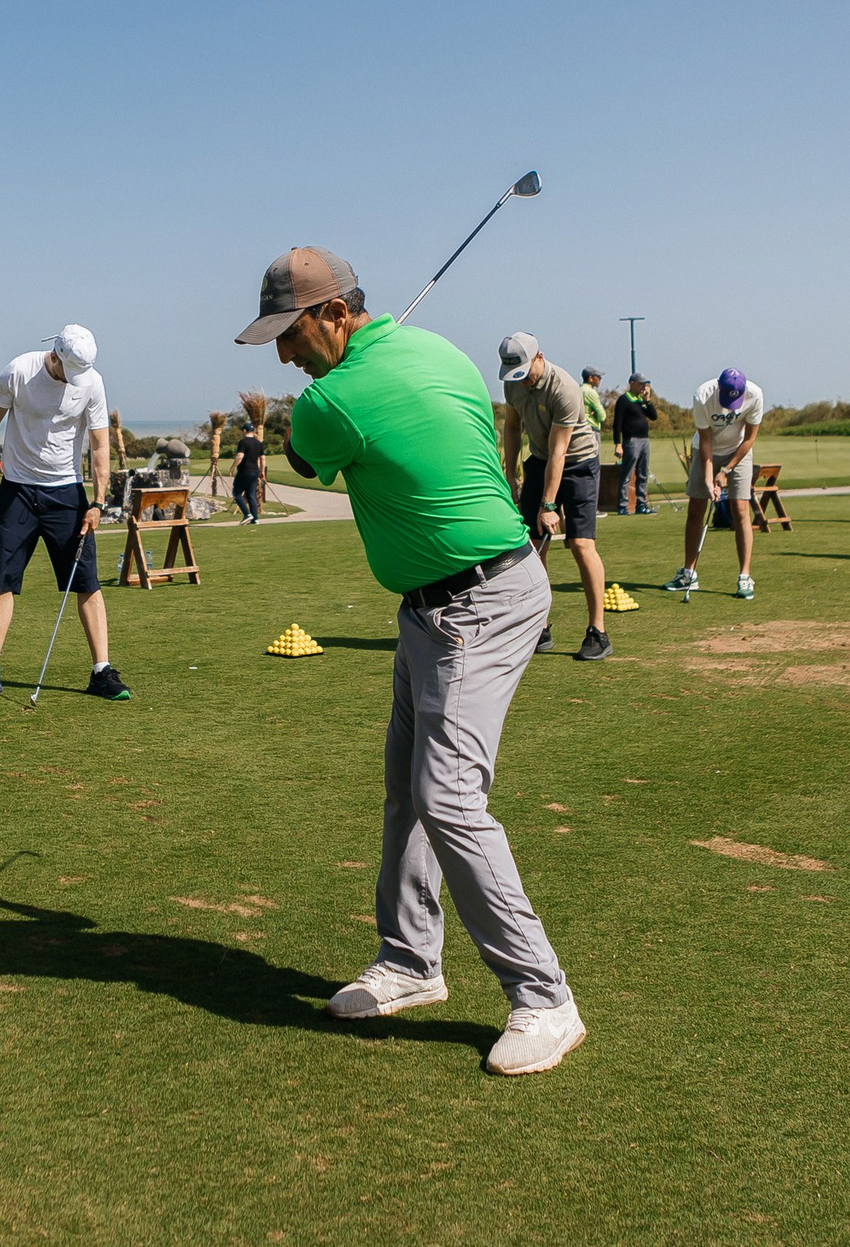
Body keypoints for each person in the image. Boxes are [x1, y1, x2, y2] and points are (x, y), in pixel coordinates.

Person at [237, 246, 583, 1076]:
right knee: (407, 785)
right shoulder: (440, 351)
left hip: (476, 601)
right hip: (441, 604)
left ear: (336, 314)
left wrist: (301, 413)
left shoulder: (327, 402)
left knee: (448, 795)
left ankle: (544, 997)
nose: (284, 353)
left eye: (292, 332)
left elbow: (306, 456)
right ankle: (410, 962)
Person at [0, 325, 125, 701]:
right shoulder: (18, 371)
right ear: (54, 355)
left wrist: (98, 502)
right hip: (17, 491)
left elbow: (100, 445)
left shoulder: (92, 383)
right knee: (2, 580)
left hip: (67, 495)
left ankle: (102, 670)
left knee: (86, 580)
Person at [496, 335, 609, 660]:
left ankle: (598, 632)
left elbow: (561, 451)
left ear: (539, 357)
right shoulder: (513, 384)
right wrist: (511, 477)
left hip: (577, 463)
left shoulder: (565, 388)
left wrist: (548, 505)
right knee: (532, 547)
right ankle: (540, 628)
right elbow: (513, 429)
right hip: (541, 459)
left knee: (580, 544)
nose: (522, 379)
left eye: (525, 371)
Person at [670, 368, 766, 600]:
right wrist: (708, 478)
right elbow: (705, 441)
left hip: (739, 451)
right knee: (696, 508)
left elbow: (750, 438)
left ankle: (744, 577)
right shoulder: (703, 395)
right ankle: (688, 574)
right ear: (719, 388)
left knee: (740, 509)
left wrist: (726, 471)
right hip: (705, 449)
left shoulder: (755, 395)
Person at [612, 374, 658, 514]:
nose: (644, 387)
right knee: (627, 474)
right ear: (632, 383)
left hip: (644, 440)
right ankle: (622, 506)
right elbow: (617, 424)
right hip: (631, 441)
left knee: (643, 474)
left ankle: (641, 505)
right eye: (641, 384)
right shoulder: (624, 400)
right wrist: (618, 443)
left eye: (645, 384)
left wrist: (647, 401)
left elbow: (653, 416)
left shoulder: (640, 400)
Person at [231, 420, 267, 524]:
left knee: (236, 493)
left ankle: (247, 514)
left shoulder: (243, 442)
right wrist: (262, 471)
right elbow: (263, 458)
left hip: (244, 471)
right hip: (255, 471)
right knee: (251, 495)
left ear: (244, 430)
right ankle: (255, 519)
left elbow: (240, 456)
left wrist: (233, 467)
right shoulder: (258, 443)